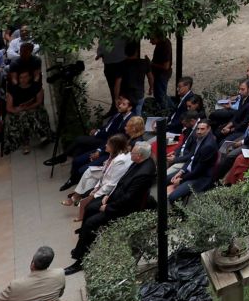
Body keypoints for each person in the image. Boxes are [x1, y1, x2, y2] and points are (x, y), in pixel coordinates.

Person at [67, 142, 153, 271]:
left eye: (133, 153)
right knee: (89, 207)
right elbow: (121, 183)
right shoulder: (139, 161)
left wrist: (108, 207)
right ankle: (83, 242)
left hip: (124, 208)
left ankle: (80, 259)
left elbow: (129, 198)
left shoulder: (144, 173)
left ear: (139, 156)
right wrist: (108, 195)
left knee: (91, 223)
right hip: (116, 198)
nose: (130, 154)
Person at [61, 95, 135, 190]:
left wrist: (100, 151)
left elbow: (114, 140)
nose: (120, 105)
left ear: (130, 107)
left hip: (110, 151)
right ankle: (73, 180)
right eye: (120, 103)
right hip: (106, 146)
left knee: (85, 168)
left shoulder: (129, 122)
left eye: (123, 104)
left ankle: (81, 188)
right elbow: (108, 129)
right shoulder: (120, 115)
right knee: (77, 160)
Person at [3, 66, 53, 155]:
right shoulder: (13, 90)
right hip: (17, 111)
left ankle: (33, 138)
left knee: (29, 114)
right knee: (23, 116)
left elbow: (39, 102)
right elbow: (9, 107)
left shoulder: (36, 87)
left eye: (25, 77)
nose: (23, 79)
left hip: (33, 108)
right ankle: (30, 140)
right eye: (21, 77)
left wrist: (27, 107)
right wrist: (18, 110)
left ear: (30, 77)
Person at [167, 121, 221, 202]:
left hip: (199, 177)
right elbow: (192, 157)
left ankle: (178, 208)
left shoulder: (208, 146)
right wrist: (181, 171)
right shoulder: (199, 138)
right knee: (166, 179)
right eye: (198, 129)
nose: (199, 131)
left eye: (202, 129)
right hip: (190, 170)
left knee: (172, 197)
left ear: (208, 129)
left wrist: (181, 180)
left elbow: (198, 171)